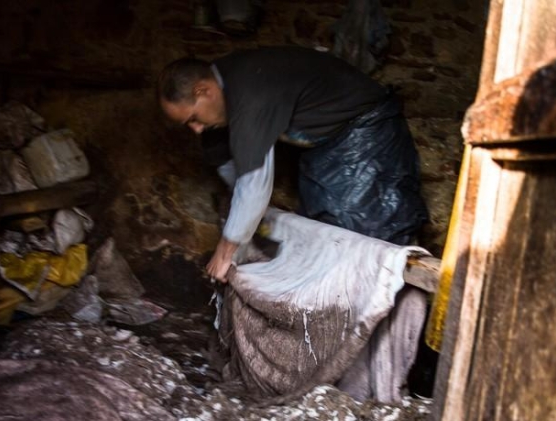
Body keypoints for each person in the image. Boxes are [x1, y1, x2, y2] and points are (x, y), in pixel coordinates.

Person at [157, 45, 429, 282]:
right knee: (325, 229)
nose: (195, 129)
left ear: (203, 90)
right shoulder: (222, 96)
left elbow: (253, 185)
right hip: (323, 143)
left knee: (369, 233)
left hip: (366, 131)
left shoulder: (251, 92)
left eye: (194, 118)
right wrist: (248, 217)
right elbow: (229, 165)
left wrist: (225, 250)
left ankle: (374, 310)